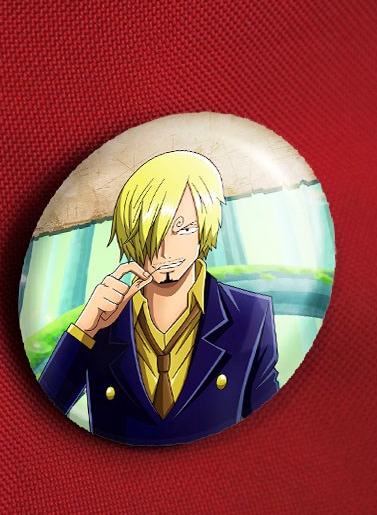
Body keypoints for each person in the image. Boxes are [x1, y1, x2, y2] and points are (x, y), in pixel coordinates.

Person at [38, 150, 279, 446]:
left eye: (183, 229)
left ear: (204, 229)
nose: (166, 251)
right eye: (153, 233)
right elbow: (40, 415)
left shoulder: (250, 314)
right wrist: (85, 329)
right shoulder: (103, 322)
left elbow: (270, 427)